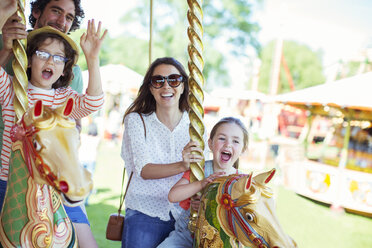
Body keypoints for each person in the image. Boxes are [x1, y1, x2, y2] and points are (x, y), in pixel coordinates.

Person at [0, 20, 106, 247]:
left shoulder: (63, 97)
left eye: (59, 58)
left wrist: (93, 59)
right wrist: (7, 48)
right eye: (43, 53)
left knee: (87, 240)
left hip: (54, 183)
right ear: (29, 59)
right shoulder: (11, 88)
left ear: (65, 68)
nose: (51, 61)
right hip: (9, 180)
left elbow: (93, 101)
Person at [120, 57, 207, 248]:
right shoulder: (137, 121)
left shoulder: (196, 125)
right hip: (146, 211)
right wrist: (182, 165)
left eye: (174, 80)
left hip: (185, 215)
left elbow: (206, 167)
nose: (166, 86)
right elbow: (143, 169)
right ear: (151, 88)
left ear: (183, 86)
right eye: (158, 81)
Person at [157, 116, 249, 248]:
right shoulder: (199, 170)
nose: (228, 144)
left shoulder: (242, 181)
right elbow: (173, 196)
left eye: (235, 141)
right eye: (222, 138)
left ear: (243, 149)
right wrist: (200, 184)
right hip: (187, 236)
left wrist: (206, 206)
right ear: (210, 144)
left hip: (221, 241)